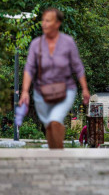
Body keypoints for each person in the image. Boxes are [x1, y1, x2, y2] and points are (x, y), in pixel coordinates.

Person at [20, 8, 90, 149]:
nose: (44, 24)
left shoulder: (67, 42)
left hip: (65, 90)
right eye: (43, 20)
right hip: (42, 92)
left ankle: (58, 154)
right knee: (49, 125)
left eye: (48, 20)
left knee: (55, 119)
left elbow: (78, 67)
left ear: (57, 23)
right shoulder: (36, 44)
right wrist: (25, 91)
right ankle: (56, 151)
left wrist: (85, 89)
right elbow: (29, 69)